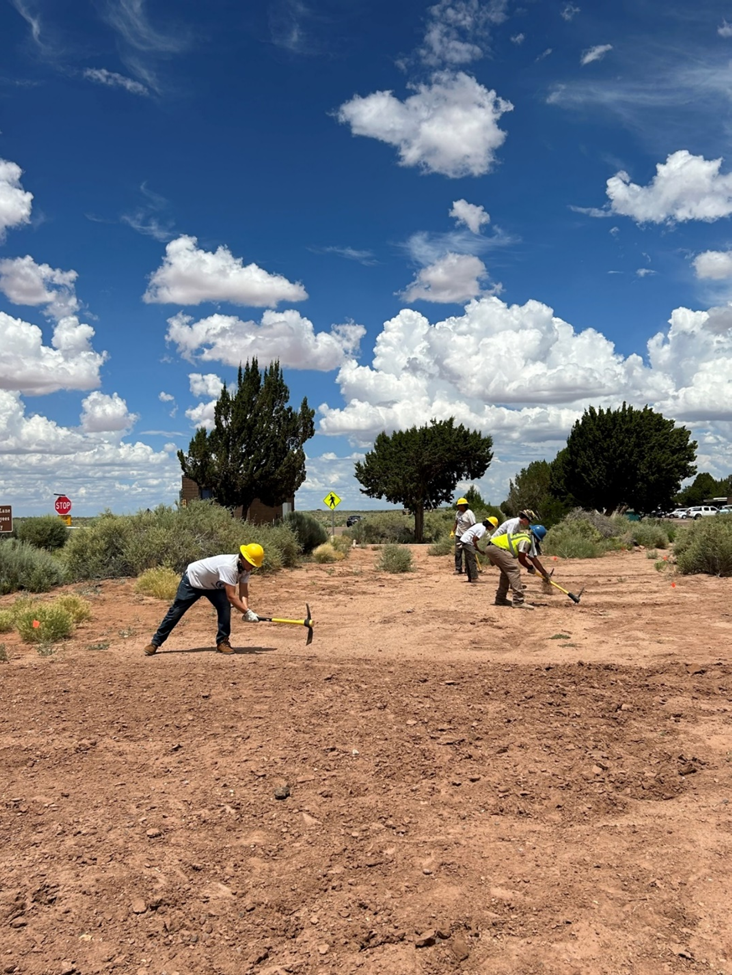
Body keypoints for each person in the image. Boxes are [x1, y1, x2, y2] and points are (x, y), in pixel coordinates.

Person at [143, 544, 264, 656]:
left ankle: (222, 642)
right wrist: (247, 612)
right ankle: (155, 643)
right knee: (176, 612)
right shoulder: (228, 567)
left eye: (254, 565)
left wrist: (246, 610)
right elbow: (231, 596)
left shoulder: (245, 569)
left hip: (214, 586)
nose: (252, 567)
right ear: (243, 558)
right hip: (193, 582)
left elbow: (244, 591)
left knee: (224, 608)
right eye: (251, 564)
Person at [485, 525, 550, 609]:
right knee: (514, 569)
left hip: (491, 547)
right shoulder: (526, 541)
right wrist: (530, 567)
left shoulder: (525, 537)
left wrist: (544, 573)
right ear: (537, 538)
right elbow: (521, 559)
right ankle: (518, 601)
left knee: (506, 572)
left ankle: (500, 599)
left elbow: (533, 559)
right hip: (496, 548)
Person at [458, 517, 499, 583]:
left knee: (468, 560)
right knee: (472, 559)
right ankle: (474, 578)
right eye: (493, 527)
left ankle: (470, 578)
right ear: (490, 525)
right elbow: (474, 540)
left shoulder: (480, 525)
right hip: (468, 542)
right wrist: (479, 550)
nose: (493, 528)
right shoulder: (482, 529)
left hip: (465, 540)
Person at [452, 497, 476, 574]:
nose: (458, 507)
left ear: (464, 505)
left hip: (467, 536)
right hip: (458, 535)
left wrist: (472, 535)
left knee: (468, 553)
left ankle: (467, 568)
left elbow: (473, 525)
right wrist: (452, 531)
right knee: (458, 552)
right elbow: (456, 522)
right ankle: (458, 568)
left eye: (459, 505)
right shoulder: (458, 513)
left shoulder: (469, 513)